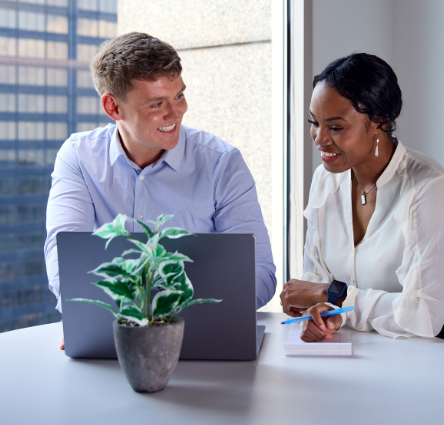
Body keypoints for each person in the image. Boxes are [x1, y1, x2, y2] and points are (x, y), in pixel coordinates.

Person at [279, 53, 444, 384]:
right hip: (384, 353)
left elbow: (421, 317)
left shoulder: (429, 188)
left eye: (335, 126)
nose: (319, 138)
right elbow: (318, 277)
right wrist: (321, 312)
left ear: (379, 120)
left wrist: (332, 295)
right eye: (313, 123)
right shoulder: (326, 178)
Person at [45, 32, 276, 348]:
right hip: (113, 339)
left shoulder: (222, 163)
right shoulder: (79, 157)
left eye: (179, 96)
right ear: (113, 107)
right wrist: (86, 314)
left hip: (204, 340)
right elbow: (63, 254)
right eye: (157, 103)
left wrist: (167, 322)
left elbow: (259, 273)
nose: (175, 113)